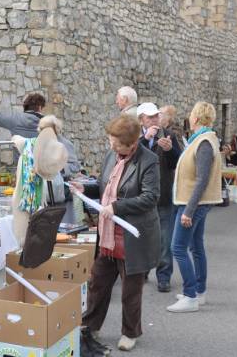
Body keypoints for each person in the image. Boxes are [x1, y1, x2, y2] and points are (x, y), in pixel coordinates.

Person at [70, 114, 160, 352]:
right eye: (111, 140)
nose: (111, 146)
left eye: (117, 143)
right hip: (108, 235)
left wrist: (117, 207)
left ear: (132, 144)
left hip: (133, 237)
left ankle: (130, 332)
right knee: (97, 283)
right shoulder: (112, 154)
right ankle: (89, 326)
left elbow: (150, 198)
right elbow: (103, 185)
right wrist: (85, 187)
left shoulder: (149, 160)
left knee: (131, 291)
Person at [167, 102, 222, 313]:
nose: (189, 118)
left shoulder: (204, 143)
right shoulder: (201, 140)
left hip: (193, 203)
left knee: (178, 248)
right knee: (196, 247)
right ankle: (199, 292)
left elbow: (201, 180)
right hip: (194, 201)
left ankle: (190, 296)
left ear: (196, 118)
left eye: (191, 115)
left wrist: (188, 211)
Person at [137, 103, 182, 293]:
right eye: (150, 117)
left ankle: (164, 277)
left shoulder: (169, 135)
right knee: (143, 237)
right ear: (141, 120)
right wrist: (144, 141)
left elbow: (179, 162)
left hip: (163, 194)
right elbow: (129, 159)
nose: (155, 120)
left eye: (156, 116)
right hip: (142, 196)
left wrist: (171, 149)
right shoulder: (136, 137)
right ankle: (142, 271)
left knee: (165, 239)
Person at [0, 92, 80, 175]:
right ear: (39, 107)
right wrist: (59, 170)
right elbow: (74, 164)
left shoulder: (15, 120)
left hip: (23, 175)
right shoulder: (48, 124)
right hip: (45, 175)